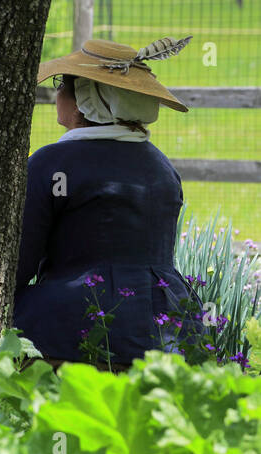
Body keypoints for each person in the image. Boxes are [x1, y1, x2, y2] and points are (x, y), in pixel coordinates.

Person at [15, 36, 205, 366]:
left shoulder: (52, 163)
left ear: (85, 99)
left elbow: (17, 264)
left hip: (70, 328)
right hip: (166, 329)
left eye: (63, 85)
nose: (56, 94)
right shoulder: (161, 167)